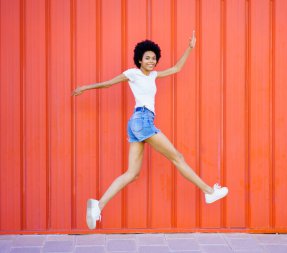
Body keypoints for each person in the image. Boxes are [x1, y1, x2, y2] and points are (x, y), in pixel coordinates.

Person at [72, 31, 228, 230]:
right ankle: (208, 191)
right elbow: (108, 84)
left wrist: (190, 47)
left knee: (132, 173)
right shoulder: (132, 73)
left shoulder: (154, 75)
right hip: (142, 120)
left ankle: (97, 205)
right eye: (147, 58)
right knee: (177, 157)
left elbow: (177, 68)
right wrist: (85, 87)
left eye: (154, 58)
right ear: (139, 59)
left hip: (139, 122)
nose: (151, 61)